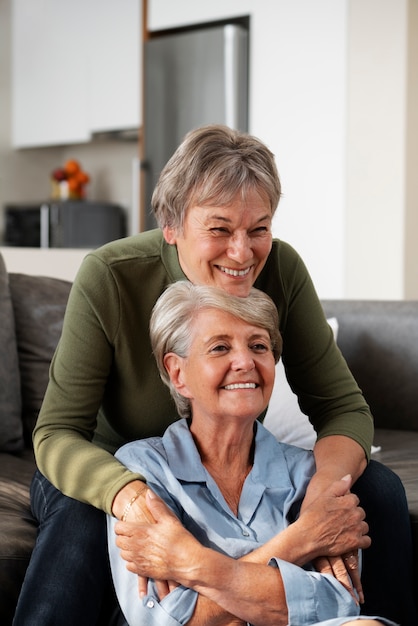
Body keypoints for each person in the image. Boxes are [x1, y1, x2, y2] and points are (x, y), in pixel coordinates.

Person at [13, 125, 416, 625]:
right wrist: (131, 495)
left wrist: (322, 501)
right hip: (114, 467)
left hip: (230, 464)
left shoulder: (282, 270)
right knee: (84, 514)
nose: (242, 253)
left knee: (374, 487)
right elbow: (56, 433)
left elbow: (342, 407)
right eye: (220, 229)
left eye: (259, 229)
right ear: (172, 225)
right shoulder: (111, 275)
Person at [108, 281, 396, 626]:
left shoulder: (310, 474)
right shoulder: (142, 472)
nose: (245, 361)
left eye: (258, 346)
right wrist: (298, 542)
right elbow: (162, 619)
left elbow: (336, 604)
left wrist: (195, 565)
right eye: (219, 348)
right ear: (178, 373)